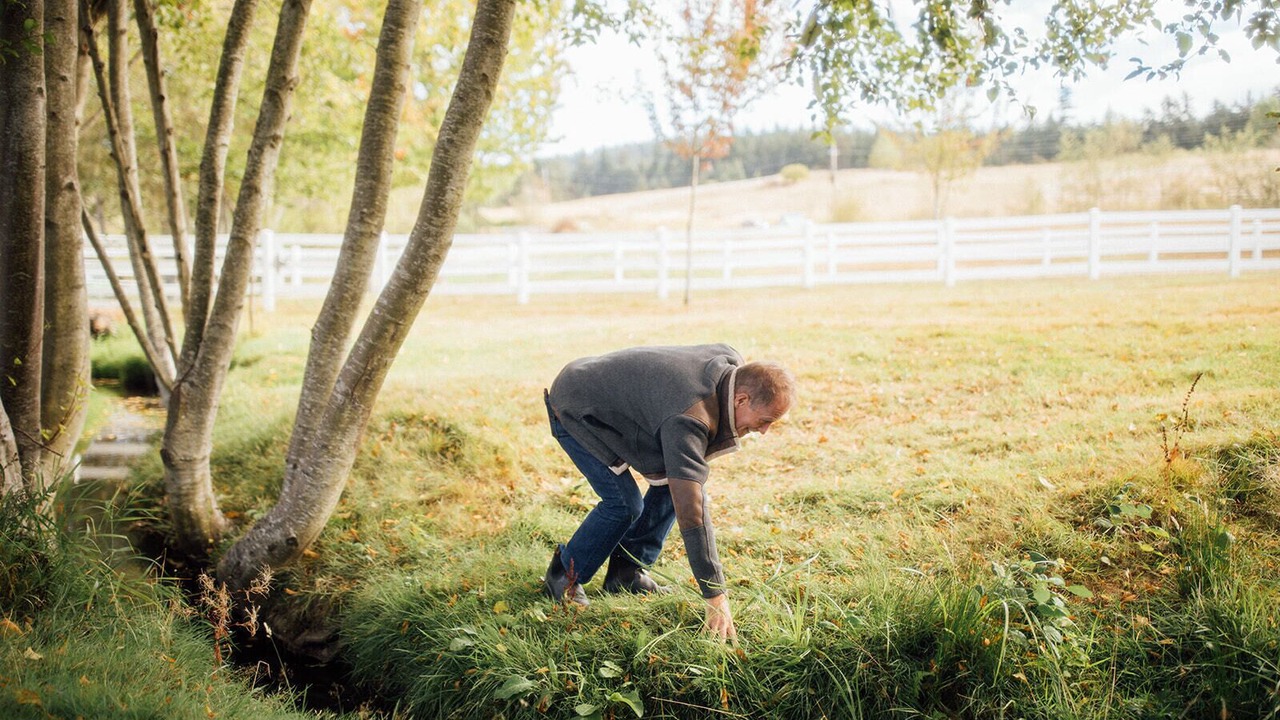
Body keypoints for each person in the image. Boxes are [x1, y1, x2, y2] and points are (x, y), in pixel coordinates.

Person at [540, 343, 796, 641]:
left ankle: (625, 574)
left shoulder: (732, 369)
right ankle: (564, 575)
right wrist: (715, 595)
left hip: (621, 401)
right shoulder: (688, 416)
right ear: (741, 399)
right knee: (624, 504)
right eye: (765, 421)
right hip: (576, 404)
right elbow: (692, 509)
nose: (764, 431)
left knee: (673, 484)